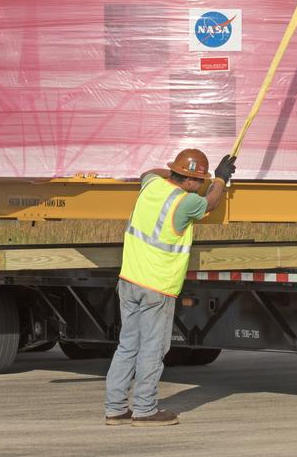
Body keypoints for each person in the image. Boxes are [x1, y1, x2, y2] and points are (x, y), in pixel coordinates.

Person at [104, 148, 235, 427]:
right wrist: (221, 180)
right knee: (153, 349)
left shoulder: (150, 185)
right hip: (157, 287)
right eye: (198, 180)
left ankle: (115, 409)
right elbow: (210, 203)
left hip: (129, 281)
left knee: (127, 346)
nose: (201, 185)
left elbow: (150, 172)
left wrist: (183, 173)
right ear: (189, 181)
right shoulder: (184, 202)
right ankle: (144, 410)